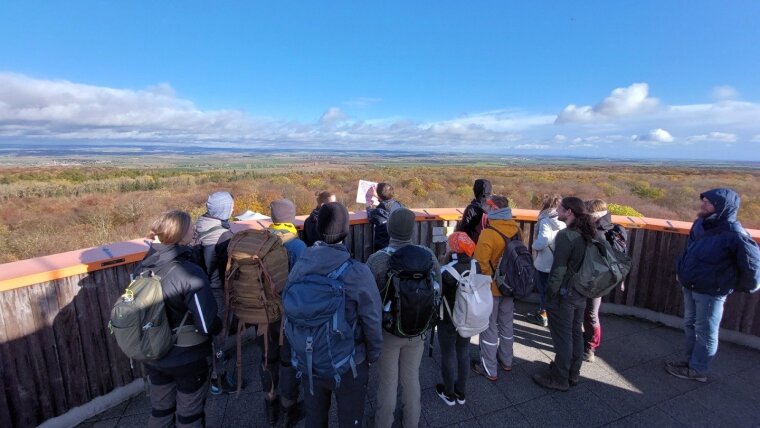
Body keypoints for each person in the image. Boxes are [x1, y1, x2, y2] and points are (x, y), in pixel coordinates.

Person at [287, 202, 383, 428]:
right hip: (349, 361)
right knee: (350, 420)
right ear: (346, 231)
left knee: (315, 418)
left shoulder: (300, 265)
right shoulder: (357, 272)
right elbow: (372, 318)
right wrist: (373, 353)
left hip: (308, 358)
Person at [136, 210, 221, 428]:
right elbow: (206, 322)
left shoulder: (143, 267)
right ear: (181, 235)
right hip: (187, 357)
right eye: (190, 228)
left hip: (153, 351)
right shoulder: (188, 271)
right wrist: (218, 326)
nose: (194, 230)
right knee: (189, 414)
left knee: (161, 410)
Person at [667, 188, 760, 382]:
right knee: (690, 324)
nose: (703, 205)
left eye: (708, 203)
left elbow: (752, 263)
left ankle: (698, 369)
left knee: (706, 331)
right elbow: (691, 251)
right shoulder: (700, 224)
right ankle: (688, 362)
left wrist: (744, 286)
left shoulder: (734, 233)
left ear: (721, 207)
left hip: (711, 290)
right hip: (691, 284)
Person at [366, 208, 441, 428]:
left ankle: (383, 422)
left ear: (389, 229)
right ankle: (411, 421)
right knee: (411, 378)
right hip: (418, 329)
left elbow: (369, 299)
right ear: (412, 229)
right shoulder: (427, 255)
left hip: (388, 331)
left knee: (388, 382)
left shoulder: (378, 260)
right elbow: (438, 289)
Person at [532, 197, 595, 391]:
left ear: (569, 212)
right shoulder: (587, 233)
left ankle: (560, 378)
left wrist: (550, 295)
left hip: (564, 294)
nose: (557, 210)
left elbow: (558, 270)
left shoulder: (567, 236)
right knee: (576, 333)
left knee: (563, 337)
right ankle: (572, 373)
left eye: (560, 208)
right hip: (580, 292)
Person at [262, 199, 307, 427]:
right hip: (288, 313)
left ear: (272, 218)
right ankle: (289, 406)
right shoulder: (297, 247)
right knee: (288, 359)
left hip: (263, 313)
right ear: (291, 217)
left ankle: (270, 403)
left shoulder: (262, 242)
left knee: (268, 356)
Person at [471, 195, 521, 381]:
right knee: (507, 325)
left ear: (494, 209)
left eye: (488, 207)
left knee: (489, 328)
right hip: (511, 286)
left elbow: (480, 263)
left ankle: (489, 368)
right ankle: (506, 360)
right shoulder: (516, 229)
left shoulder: (488, 233)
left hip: (492, 288)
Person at [193, 191, 237, 395]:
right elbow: (226, 271)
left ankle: (210, 370)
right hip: (218, 290)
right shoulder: (222, 236)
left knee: (209, 332)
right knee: (219, 334)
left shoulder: (199, 226)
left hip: (200, 289)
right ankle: (218, 379)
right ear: (224, 210)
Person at [436, 232, 479, 406]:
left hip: (448, 319)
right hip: (468, 316)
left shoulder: (447, 271)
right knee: (463, 351)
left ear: (454, 248)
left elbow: (438, 293)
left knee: (448, 353)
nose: (447, 246)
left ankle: (448, 393)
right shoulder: (477, 265)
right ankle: (461, 392)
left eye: (449, 243)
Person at [583, 199, 627, 363]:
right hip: (601, 279)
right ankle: (588, 344)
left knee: (590, 314)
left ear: (593, 214)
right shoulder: (613, 229)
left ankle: (589, 348)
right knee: (590, 313)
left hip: (593, 279)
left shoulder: (597, 231)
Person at [526, 194, 565, 328]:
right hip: (559, 262)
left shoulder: (546, 221)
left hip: (544, 263)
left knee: (544, 291)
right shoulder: (565, 220)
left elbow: (544, 240)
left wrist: (533, 245)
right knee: (554, 291)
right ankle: (553, 315)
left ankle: (543, 315)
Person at [366, 182, 404, 251]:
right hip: (399, 247)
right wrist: (379, 197)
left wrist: (368, 205)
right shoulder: (399, 205)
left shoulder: (378, 212)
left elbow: (370, 216)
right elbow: (388, 203)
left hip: (384, 249)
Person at [456, 178, 492, 243]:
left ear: (476, 190)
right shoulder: (495, 207)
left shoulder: (471, 209)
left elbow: (463, 231)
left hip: (475, 246)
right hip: (493, 246)